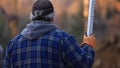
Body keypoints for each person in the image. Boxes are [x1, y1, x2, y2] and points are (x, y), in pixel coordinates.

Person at [3, 0, 96, 68]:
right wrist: (88, 45)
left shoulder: (13, 44)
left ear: (32, 16)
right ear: (52, 16)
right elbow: (84, 64)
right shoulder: (63, 39)